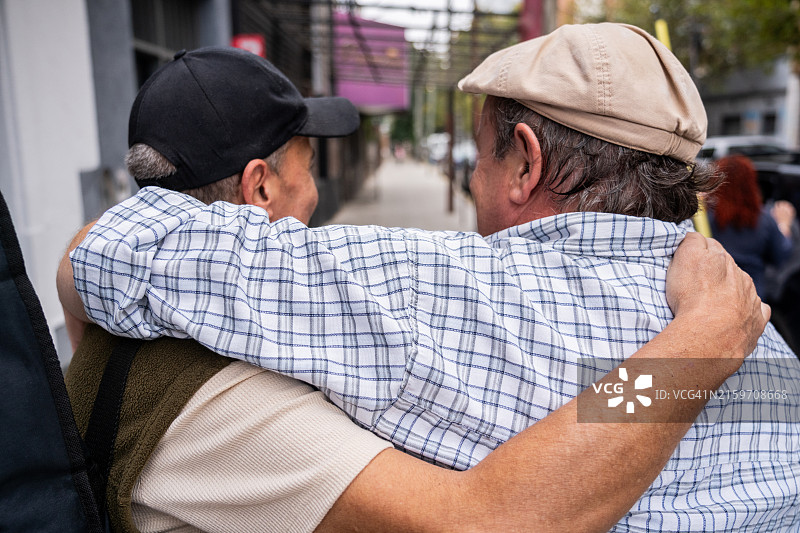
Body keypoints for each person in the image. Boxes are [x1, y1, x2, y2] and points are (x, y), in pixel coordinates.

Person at [59, 26, 794, 531]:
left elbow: (113, 250)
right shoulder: (766, 352)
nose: (471, 182)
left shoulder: (428, 294)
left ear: (527, 162)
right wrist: (694, 346)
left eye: (480, 158)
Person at [707, 154, 796, 298]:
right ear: (751, 183)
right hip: (751, 296)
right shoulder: (764, 219)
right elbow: (780, 255)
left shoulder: (705, 216)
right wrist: (784, 224)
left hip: (713, 293)